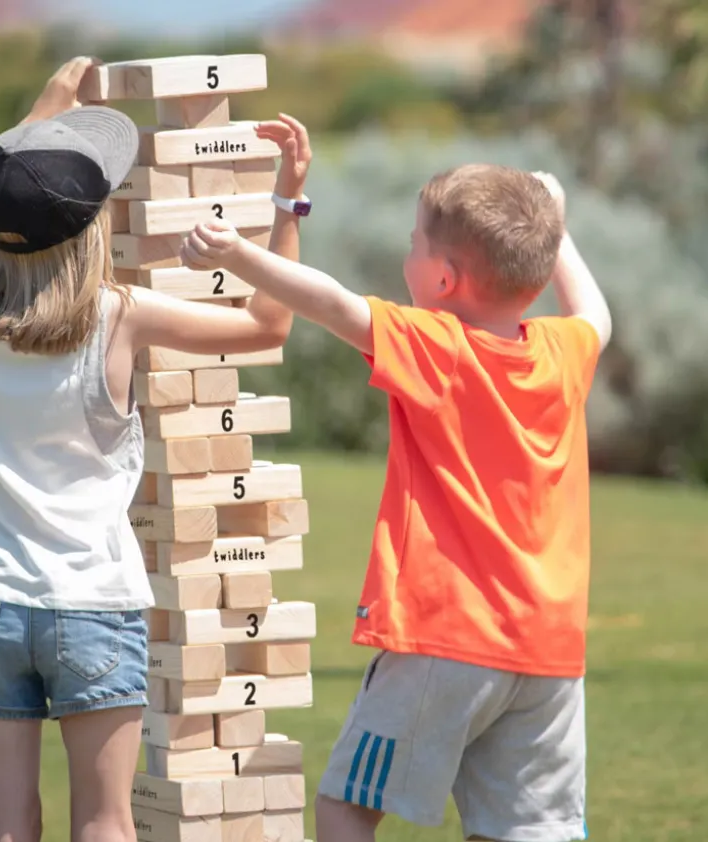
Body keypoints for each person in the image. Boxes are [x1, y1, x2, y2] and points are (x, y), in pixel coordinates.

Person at [0, 56, 312, 842]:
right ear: (90, 228)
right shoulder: (120, 315)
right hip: (95, 605)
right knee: (106, 823)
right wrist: (286, 202)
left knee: (3, 825)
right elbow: (268, 326)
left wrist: (43, 110)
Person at [181, 164, 610, 842]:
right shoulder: (562, 351)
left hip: (447, 638)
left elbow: (330, 303)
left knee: (346, 807)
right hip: (551, 651)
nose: (405, 252)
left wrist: (238, 255)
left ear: (444, 281)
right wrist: (557, 226)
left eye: (415, 243)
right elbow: (596, 314)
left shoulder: (436, 345)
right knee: (528, 831)